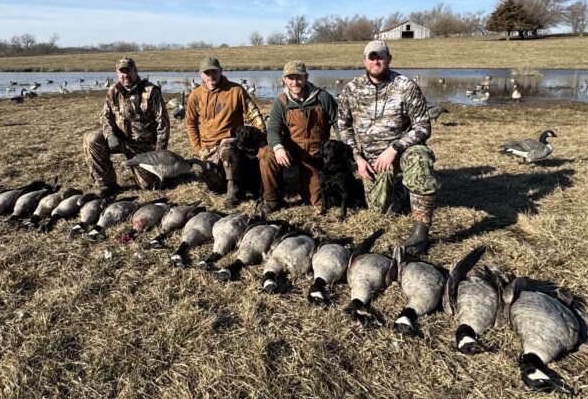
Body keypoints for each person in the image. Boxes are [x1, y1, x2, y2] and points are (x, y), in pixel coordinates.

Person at [337, 40, 437, 255]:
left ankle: (421, 233)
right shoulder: (351, 89)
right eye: (371, 57)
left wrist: (394, 148)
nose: (376, 61)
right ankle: (402, 190)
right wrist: (357, 157)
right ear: (364, 61)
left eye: (380, 56)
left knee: (420, 157)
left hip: (401, 152)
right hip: (370, 160)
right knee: (380, 210)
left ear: (389, 59)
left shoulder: (405, 86)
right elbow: (343, 128)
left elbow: (423, 127)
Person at [82, 57, 170, 196]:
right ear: (117, 73)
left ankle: (164, 172)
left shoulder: (151, 91)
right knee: (92, 139)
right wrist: (110, 135)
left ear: (135, 71)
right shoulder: (113, 91)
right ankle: (107, 183)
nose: (125, 75)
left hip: (144, 146)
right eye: (121, 72)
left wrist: (158, 154)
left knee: (149, 186)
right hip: (120, 140)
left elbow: (163, 124)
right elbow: (105, 116)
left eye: (128, 71)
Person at [185, 56, 266, 206]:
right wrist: (198, 148)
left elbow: (254, 114)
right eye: (207, 73)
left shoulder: (236, 90)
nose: (211, 76)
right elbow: (191, 124)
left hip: (231, 146)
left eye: (214, 72)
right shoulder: (195, 95)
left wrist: (261, 138)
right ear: (200, 74)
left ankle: (233, 190)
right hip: (208, 149)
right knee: (214, 186)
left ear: (220, 71)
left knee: (228, 146)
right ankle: (232, 181)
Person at [259, 61, 338, 214]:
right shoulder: (281, 102)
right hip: (292, 151)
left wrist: (344, 151)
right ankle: (272, 200)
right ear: (284, 79)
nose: (294, 82)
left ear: (306, 77)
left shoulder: (323, 98)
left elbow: (339, 123)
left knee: (315, 203)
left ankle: (311, 186)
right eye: (290, 78)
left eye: (299, 77)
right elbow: (273, 129)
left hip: (315, 154)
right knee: (267, 153)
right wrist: (278, 147)